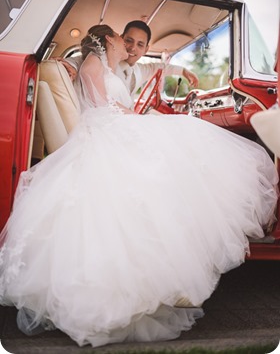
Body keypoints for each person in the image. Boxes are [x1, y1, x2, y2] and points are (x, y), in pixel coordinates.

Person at [0, 24, 278, 349]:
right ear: (108, 41)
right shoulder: (91, 64)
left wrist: (142, 110)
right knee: (177, 146)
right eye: (122, 39)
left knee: (177, 142)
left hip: (111, 124)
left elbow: (143, 76)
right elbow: (101, 104)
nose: (127, 44)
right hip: (103, 127)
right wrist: (134, 116)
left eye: (136, 42)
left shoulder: (116, 67)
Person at [61, 20, 199, 99]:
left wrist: (183, 71)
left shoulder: (140, 71)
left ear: (146, 49)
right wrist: (68, 65)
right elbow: (82, 62)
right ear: (121, 39)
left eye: (140, 45)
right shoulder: (102, 61)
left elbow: (159, 67)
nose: (133, 48)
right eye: (129, 41)